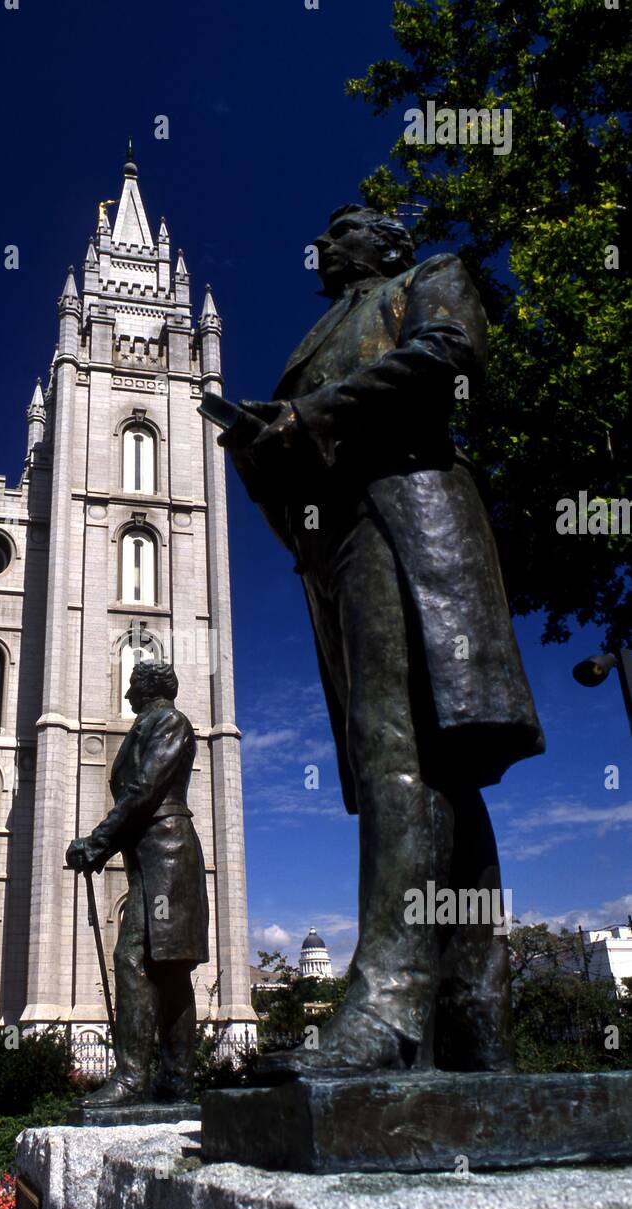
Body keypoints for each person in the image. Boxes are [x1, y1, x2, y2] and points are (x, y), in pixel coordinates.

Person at [219, 204, 544, 1074]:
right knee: (426, 765)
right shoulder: (318, 336)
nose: (323, 244)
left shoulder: (428, 276)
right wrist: (261, 447)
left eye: (343, 229)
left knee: (396, 742)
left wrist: (310, 415)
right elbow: (296, 451)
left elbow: (449, 355)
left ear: (388, 242)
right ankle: (474, 1026)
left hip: (406, 511)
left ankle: (388, 1008)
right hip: (333, 545)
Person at [66, 660, 209, 1104]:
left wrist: (97, 843)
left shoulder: (169, 721)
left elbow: (144, 789)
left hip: (166, 854)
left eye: (133, 687)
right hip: (150, 854)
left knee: (137, 958)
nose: (127, 695)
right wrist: (104, 846)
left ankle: (134, 1077)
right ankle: (174, 1079)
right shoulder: (149, 724)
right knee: (164, 965)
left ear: (149, 689)